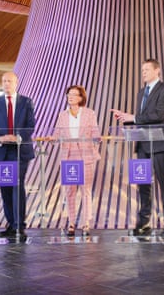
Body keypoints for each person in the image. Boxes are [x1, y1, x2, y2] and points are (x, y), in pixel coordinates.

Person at [111, 58, 164, 237]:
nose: (143, 72)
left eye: (147, 69)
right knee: (143, 183)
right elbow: (141, 117)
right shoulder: (141, 92)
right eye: (142, 70)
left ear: (157, 70)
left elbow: (158, 115)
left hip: (160, 144)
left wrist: (133, 118)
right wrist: (127, 117)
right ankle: (144, 220)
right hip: (143, 144)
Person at [0, 71, 36, 239]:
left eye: (9, 81)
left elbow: (30, 125)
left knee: (17, 186)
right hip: (2, 151)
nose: (6, 84)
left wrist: (17, 137)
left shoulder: (26, 102)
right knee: (5, 188)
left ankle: (19, 225)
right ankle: (10, 224)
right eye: (4, 81)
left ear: (16, 83)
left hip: (20, 152)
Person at [53, 85, 101, 237]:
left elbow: (96, 133)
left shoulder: (89, 113)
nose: (70, 97)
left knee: (85, 191)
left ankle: (86, 223)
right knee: (70, 191)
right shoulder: (62, 115)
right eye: (69, 94)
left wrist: (95, 139)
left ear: (81, 98)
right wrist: (52, 139)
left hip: (85, 155)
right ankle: (72, 223)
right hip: (68, 156)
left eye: (74, 94)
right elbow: (57, 134)